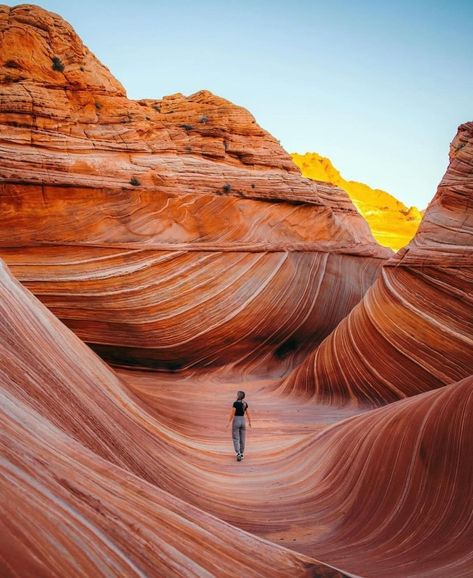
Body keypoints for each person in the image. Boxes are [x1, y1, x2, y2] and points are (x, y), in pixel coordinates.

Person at [227, 390, 252, 461]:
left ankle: (238, 453)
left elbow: (232, 413)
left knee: (236, 437)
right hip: (243, 421)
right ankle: (241, 453)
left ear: (238, 396)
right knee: (242, 437)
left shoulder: (235, 403)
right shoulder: (245, 404)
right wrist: (250, 422)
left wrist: (228, 422)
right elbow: (248, 414)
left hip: (236, 420)